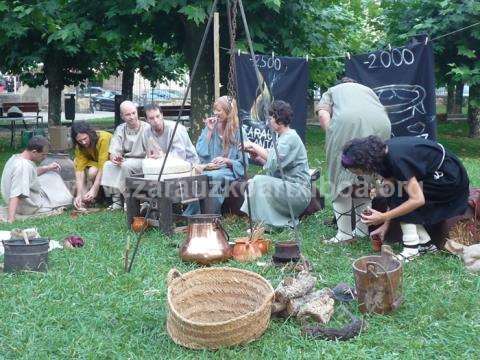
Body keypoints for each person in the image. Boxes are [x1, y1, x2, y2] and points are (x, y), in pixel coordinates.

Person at [341, 135, 470, 262]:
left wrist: (383, 217)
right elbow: (391, 191)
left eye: (355, 170)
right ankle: (425, 243)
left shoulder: (397, 159)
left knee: (403, 194)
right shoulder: (380, 156)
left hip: (450, 178)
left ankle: (411, 249)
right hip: (432, 175)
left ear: (364, 163)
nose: (356, 174)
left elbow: (417, 200)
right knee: (396, 191)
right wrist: (385, 225)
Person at [316, 77, 391, 244]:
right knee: (366, 176)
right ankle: (362, 230)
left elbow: (322, 115)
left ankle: (344, 233)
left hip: (347, 123)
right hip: (382, 124)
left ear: (341, 83)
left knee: (341, 179)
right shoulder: (367, 90)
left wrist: (332, 133)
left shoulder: (333, 91)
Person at [241, 100, 310, 227]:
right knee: (252, 183)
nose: (268, 122)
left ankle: (271, 223)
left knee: (258, 181)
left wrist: (252, 145)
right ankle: (261, 221)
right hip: (289, 190)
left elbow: (273, 160)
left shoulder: (290, 138)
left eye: (270, 118)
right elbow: (275, 166)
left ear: (279, 118)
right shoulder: (283, 137)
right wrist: (258, 158)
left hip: (298, 193)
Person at [185, 96, 248, 215]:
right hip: (210, 167)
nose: (215, 113)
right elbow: (200, 151)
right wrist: (208, 131)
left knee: (212, 177)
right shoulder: (212, 127)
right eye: (215, 109)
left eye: (219, 110)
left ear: (228, 112)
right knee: (198, 175)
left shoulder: (239, 131)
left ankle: (210, 214)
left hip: (229, 170)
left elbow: (243, 163)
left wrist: (226, 160)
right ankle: (192, 213)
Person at [1, 136, 73, 222]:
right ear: (34, 152)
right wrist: (11, 218)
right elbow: (16, 194)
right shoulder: (23, 167)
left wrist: (48, 168)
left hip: (21, 200)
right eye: (43, 154)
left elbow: (31, 173)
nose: (45, 157)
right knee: (67, 199)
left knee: (52, 175)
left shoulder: (16, 158)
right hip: (27, 207)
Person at [101, 100, 150, 210]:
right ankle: (116, 200)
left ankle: (129, 200)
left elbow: (151, 151)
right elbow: (114, 150)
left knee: (125, 166)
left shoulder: (146, 128)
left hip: (142, 160)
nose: (132, 117)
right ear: (122, 116)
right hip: (125, 160)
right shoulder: (120, 129)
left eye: (134, 113)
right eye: (128, 114)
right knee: (108, 165)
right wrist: (115, 157)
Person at [71, 121, 112, 210]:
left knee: (93, 172)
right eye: (80, 141)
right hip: (96, 163)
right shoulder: (79, 146)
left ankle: (100, 195)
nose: (84, 142)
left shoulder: (103, 138)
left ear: (90, 133)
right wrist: (78, 194)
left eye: (85, 138)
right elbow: (79, 170)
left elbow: (103, 165)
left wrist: (94, 189)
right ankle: (84, 197)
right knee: (76, 161)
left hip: (109, 163)